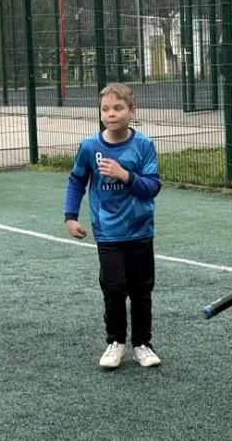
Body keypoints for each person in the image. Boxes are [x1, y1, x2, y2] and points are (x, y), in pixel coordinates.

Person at [63, 83, 162, 369]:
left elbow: (152, 186)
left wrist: (125, 175)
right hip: (108, 233)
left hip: (141, 230)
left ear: (132, 111)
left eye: (118, 108)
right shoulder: (89, 147)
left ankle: (142, 343)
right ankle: (115, 341)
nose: (111, 114)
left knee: (142, 290)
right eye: (105, 109)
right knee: (114, 287)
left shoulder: (143, 145)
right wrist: (70, 216)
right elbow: (76, 181)